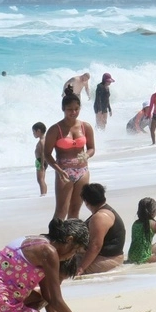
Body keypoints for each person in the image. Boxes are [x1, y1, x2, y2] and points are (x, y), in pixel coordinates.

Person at [45, 91, 96, 220]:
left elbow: (92, 148)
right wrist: (59, 171)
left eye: (76, 109)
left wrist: (86, 155)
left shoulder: (86, 127)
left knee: (75, 210)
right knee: (61, 211)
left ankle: (72, 239)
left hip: (83, 171)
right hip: (64, 172)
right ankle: (55, 238)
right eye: (69, 109)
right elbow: (47, 154)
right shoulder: (55, 129)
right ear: (63, 109)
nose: (73, 112)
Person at [78, 183, 126, 275]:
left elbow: (95, 246)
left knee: (63, 267)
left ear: (86, 201)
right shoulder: (104, 211)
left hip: (108, 259)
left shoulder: (100, 217)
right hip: (106, 256)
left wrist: (81, 268)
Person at [126, 197, 156, 264]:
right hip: (143, 258)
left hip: (131, 256)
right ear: (153, 211)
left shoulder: (135, 223)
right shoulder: (155, 224)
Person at [32, 122, 48, 196]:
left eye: (34, 132)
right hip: (40, 161)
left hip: (41, 161)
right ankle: (44, 193)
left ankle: (43, 194)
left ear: (38, 131)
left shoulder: (42, 141)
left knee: (40, 179)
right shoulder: (43, 140)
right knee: (41, 179)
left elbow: (43, 153)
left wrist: (42, 165)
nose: (33, 134)